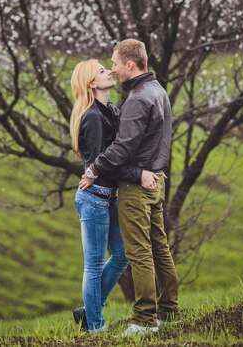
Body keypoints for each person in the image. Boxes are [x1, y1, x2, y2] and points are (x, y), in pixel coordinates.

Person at [79, 39, 179, 335]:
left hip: (139, 186)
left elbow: (122, 148)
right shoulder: (157, 90)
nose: (112, 69)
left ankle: (145, 319)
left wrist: (95, 168)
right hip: (153, 180)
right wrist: (155, 168)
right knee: (159, 247)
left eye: (114, 64)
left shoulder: (136, 98)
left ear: (130, 65)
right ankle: (170, 311)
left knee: (138, 252)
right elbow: (159, 139)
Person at [70, 59, 158, 334]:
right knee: (94, 266)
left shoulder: (110, 110)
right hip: (94, 198)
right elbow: (103, 162)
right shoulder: (94, 117)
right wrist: (138, 174)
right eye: (101, 70)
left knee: (121, 255)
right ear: (92, 83)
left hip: (108, 196)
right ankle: (95, 327)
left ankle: (89, 309)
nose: (109, 71)